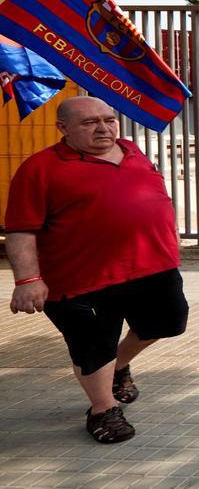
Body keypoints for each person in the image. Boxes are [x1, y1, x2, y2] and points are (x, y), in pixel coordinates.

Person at [6, 96, 188, 444]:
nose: (103, 128)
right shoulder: (40, 168)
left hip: (153, 267)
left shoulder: (131, 150)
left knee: (167, 323)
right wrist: (28, 280)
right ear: (63, 128)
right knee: (93, 346)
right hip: (79, 278)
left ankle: (118, 367)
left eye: (108, 119)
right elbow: (21, 229)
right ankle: (102, 410)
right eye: (90, 122)